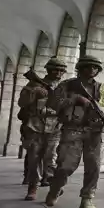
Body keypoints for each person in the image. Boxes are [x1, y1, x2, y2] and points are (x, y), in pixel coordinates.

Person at [44, 56, 104, 208]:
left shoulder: (103, 88)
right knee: (65, 166)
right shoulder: (67, 85)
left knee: (94, 166)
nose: (92, 70)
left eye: (95, 67)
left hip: (95, 131)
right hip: (72, 129)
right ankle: (56, 188)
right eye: (88, 67)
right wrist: (74, 99)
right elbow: (53, 104)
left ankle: (87, 198)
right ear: (81, 68)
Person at [18, 57, 67, 200]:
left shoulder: (63, 87)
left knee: (51, 157)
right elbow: (22, 103)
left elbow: (67, 106)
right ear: (48, 70)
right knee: (34, 158)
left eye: (61, 70)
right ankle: (33, 187)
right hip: (35, 126)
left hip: (55, 127)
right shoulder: (33, 84)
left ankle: (53, 183)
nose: (58, 72)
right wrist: (34, 93)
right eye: (55, 69)